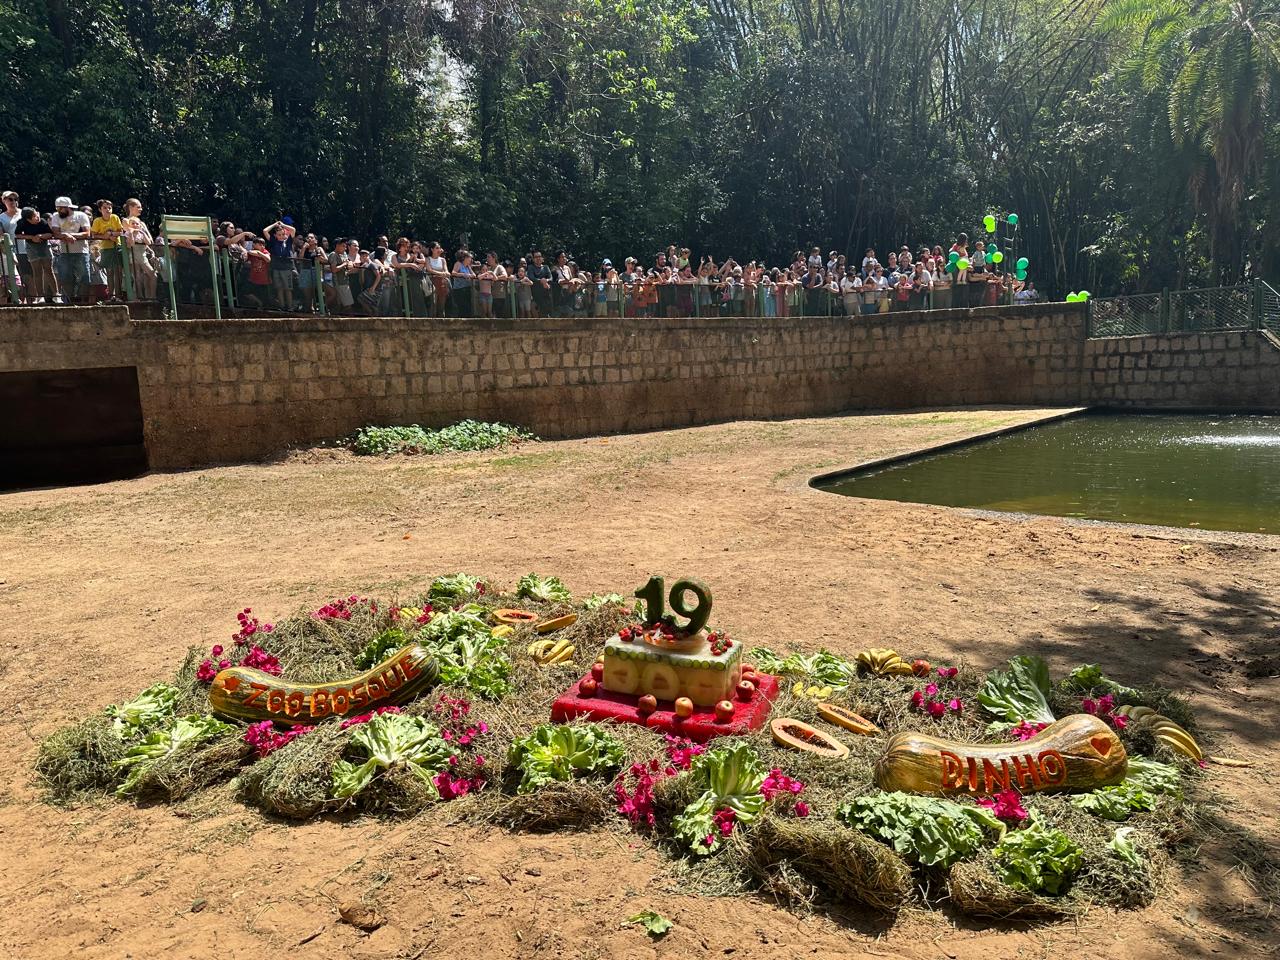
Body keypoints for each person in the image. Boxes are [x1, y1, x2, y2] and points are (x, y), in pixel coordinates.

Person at [50, 196, 92, 304]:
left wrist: (70, 235)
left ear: (67, 207)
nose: (58, 211)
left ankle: (84, 302)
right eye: (57, 208)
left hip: (81, 251)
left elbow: (87, 233)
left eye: (60, 208)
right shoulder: (56, 216)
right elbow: (55, 232)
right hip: (64, 251)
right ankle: (69, 301)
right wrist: (65, 235)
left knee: (84, 277)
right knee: (66, 277)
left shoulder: (81, 216)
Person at [13, 207, 54, 303]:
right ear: (28, 219)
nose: (37, 217)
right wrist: (32, 237)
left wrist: (40, 236)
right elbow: (18, 235)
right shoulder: (21, 223)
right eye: (34, 216)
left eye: (37, 214)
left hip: (44, 247)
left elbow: (50, 234)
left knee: (48, 270)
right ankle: (40, 296)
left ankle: (56, 295)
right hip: (31, 248)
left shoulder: (42, 221)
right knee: (37, 272)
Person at [120, 199, 156, 301]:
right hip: (132, 251)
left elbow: (148, 238)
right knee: (137, 276)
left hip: (143, 251)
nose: (141, 209)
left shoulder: (142, 223)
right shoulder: (126, 220)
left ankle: (150, 297)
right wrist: (137, 230)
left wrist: (150, 249)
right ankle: (139, 297)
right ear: (131, 207)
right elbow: (130, 233)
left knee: (146, 276)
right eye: (138, 207)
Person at [90, 199, 125, 299]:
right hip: (106, 248)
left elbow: (120, 231)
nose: (108, 210)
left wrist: (111, 234)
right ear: (100, 209)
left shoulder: (115, 218)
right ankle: (111, 295)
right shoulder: (97, 221)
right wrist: (106, 237)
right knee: (109, 272)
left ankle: (118, 295)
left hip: (117, 247)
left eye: (109, 208)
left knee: (118, 272)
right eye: (105, 208)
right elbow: (94, 235)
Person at [262, 218, 297, 310]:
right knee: (279, 288)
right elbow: (265, 231)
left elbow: (293, 230)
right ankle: (282, 306)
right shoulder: (274, 241)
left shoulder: (288, 241)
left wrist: (283, 225)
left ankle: (289, 307)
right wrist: (275, 224)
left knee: (288, 288)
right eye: (279, 235)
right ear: (275, 235)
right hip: (276, 268)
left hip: (287, 268)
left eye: (283, 234)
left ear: (285, 234)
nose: (281, 236)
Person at [0, 190, 28, 303]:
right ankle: (16, 302)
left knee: (28, 277)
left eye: (15, 199)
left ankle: (30, 302)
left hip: (26, 249)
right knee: (14, 279)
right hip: (9, 252)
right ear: (4, 201)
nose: (13, 201)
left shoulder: (25, 213)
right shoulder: (1, 217)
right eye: (10, 199)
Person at [425, 242, 450, 317]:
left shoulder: (442, 260)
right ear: (432, 249)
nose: (439, 250)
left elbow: (446, 270)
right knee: (433, 303)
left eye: (439, 248)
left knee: (441, 305)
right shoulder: (428, 259)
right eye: (437, 248)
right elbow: (429, 270)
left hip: (442, 283)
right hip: (432, 282)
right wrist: (441, 273)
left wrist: (446, 273)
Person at [527, 250, 553, 317]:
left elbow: (550, 278)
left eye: (539, 256)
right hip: (536, 292)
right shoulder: (531, 267)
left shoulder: (546, 267)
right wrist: (541, 281)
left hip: (546, 291)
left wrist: (545, 281)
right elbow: (531, 278)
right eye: (536, 257)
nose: (538, 258)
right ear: (533, 259)